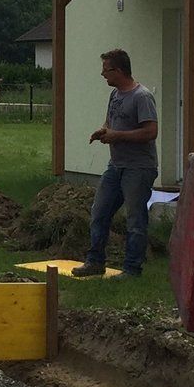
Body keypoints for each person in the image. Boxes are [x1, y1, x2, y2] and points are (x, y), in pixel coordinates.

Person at [77, 49, 160, 278]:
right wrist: (103, 131)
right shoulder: (115, 95)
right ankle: (95, 262)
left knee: (135, 219)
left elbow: (151, 132)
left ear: (119, 70)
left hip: (139, 168)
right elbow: (111, 122)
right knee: (99, 212)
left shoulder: (141, 97)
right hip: (116, 165)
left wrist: (118, 136)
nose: (103, 74)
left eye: (106, 70)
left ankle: (132, 269)